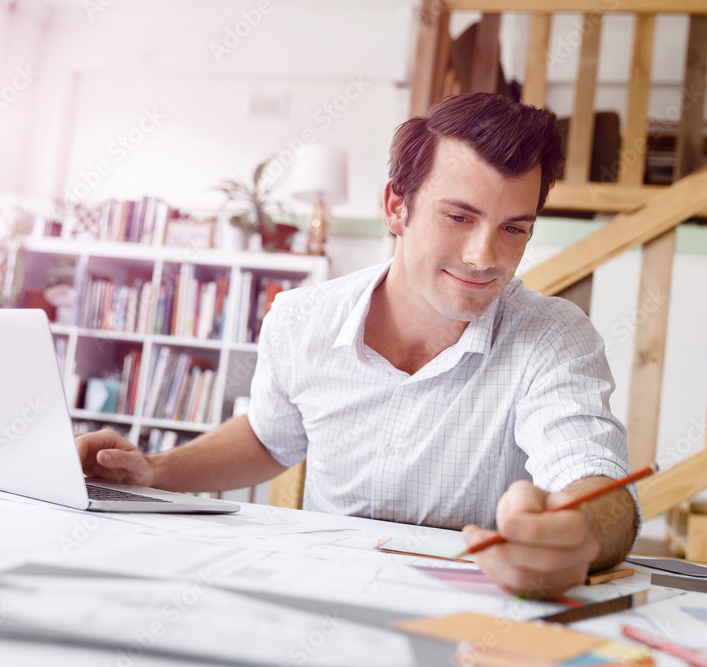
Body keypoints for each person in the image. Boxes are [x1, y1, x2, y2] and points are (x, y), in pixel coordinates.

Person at [77, 92, 639, 599]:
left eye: (514, 228)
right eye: (459, 216)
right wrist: (152, 470)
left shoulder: (554, 336)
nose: (483, 256)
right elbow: (269, 437)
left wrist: (577, 534)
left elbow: (593, 477)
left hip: (465, 609)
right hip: (320, 596)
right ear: (397, 206)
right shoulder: (300, 319)